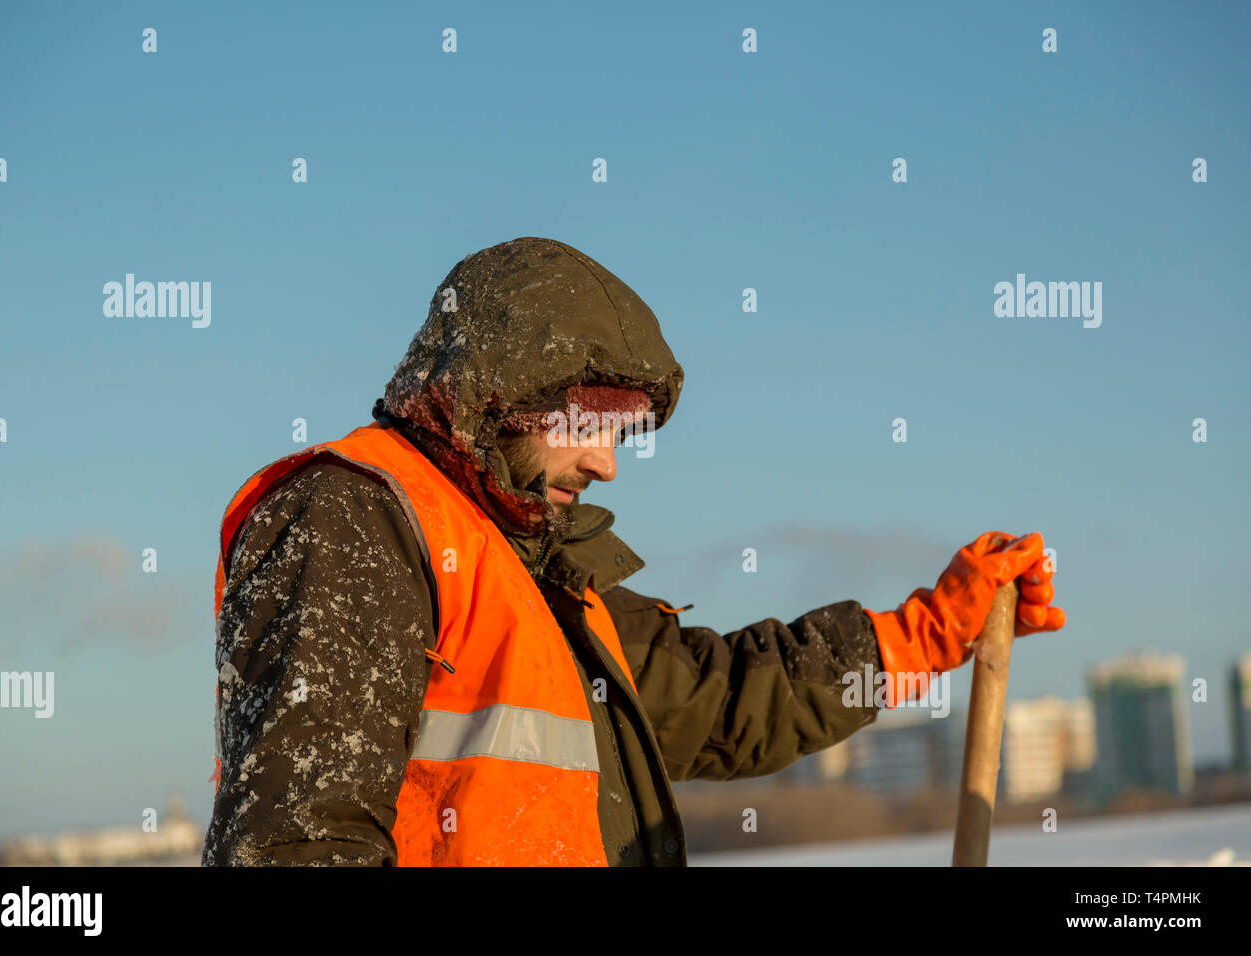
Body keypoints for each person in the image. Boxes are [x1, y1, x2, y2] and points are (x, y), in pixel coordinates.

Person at [202, 236, 1064, 866]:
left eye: (620, 433)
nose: (606, 461)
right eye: (588, 423)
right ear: (499, 394)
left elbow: (723, 699)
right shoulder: (355, 518)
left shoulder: (542, 578)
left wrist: (924, 636)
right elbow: (296, 848)